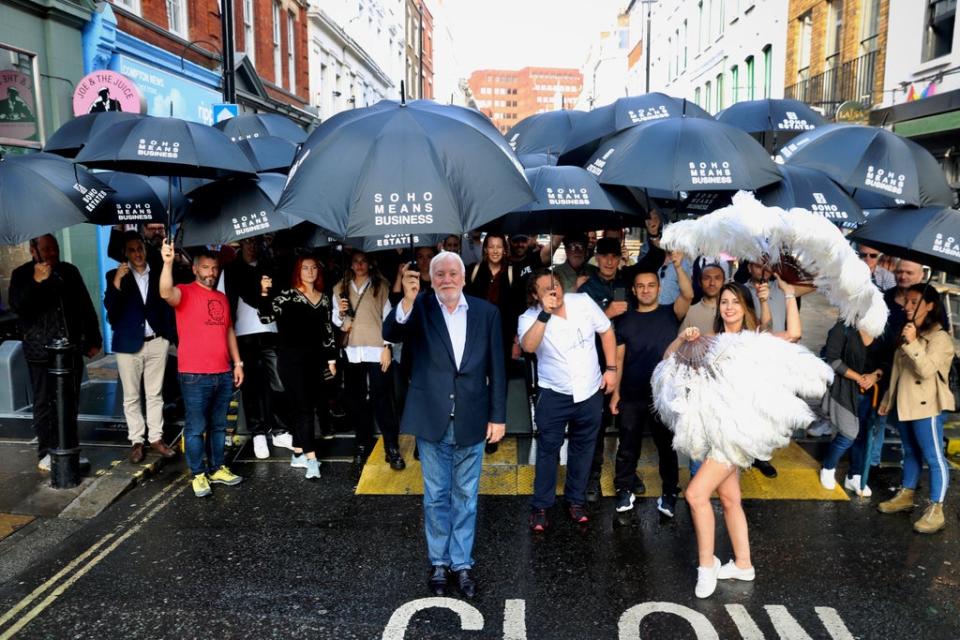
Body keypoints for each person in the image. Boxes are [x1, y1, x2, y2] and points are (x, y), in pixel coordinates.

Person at [665, 277, 802, 598]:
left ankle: (706, 566)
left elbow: (794, 334)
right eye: (724, 302)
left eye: (736, 302)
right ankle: (743, 564)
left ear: (746, 308)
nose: (729, 307)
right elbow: (669, 359)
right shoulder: (710, 341)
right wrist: (683, 339)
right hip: (715, 430)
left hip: (740, 433)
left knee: (696, 495)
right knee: (729, 500)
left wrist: (791, 294)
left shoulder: (755, 340)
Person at [383, 251, 506, 599]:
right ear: (430, 278)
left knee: (465, 497)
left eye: (453, 273)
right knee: (436, 496)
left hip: (473, 417)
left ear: (464, 278)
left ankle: (462, 563)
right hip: (431, 417)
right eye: (439, 274)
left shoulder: (487, 313)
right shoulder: (418, 307)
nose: (447, 279)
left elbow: (496, 368)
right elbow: (390, 332)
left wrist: (498, 417)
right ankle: (439, 562)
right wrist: (406, 300)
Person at [520, 269, 617, 531]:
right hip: (553, 394)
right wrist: (545, 314)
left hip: (589, 391)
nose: (554, 291)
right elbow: (528, 347)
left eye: (556, 285)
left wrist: (611, 369)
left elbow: (606, 331)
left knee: (583, 448)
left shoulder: (582, 302)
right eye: (545, 289)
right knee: (548, 450)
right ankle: (541, 506)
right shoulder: (529, 317)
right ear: (535, 296)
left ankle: (576, 500)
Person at [159, 240, 244, 497]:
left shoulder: (221, 297)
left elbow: (229, 330)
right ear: (195, 269)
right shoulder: (184, 292)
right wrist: (167, 262)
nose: (211, 273)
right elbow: (165, 292)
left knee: (219, 426)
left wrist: (237, 363)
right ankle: (198, 474)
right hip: (194, 374)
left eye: (214, 268)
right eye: (206, 268)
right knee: (196, 428)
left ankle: (217, 468)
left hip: (223, 372)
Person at [9, 235, 102, 470]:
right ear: (33, 250)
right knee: (44, 402)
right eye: (46, 249)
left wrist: (93, 337)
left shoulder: (68, 271)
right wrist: (37, 283)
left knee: (70, 401)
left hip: (69, 348)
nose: (51, 253)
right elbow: (19, 308)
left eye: (55, 248)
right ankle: (47, 451)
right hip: (40, 351)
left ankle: (70, 447)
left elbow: (85, 305)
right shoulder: (21, 275)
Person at [610, 257, 693, 517]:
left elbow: (688, 294)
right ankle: (624, 489)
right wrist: (615, 393)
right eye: (641, 286)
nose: (646, 290)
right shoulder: (624, 321)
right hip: (632, 394)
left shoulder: (671, 313)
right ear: (634, 291)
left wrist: (678, 266)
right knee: (627, 446)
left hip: (664, 395)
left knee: (667, 447)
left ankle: (669, 492)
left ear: (658, 288)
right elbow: (619, 359)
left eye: (651, 285)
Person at [877, 284, 954, 534]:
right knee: (910, 452)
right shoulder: (910, 330)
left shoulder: (940, 338)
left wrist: (912, 342)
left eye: (914, 302)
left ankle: (936, 508)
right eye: (906, 301)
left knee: (934, 458)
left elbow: (927, 370)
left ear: (930, 305)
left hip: (928, 406)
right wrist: (888, 398)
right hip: (905, 403)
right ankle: (906, 494)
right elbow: (898, 372)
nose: (907, 306)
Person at [259, 256, 338, 480]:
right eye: (305, 268)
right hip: (291, 360)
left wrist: (331, 360)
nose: (310, 271)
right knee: (303, 408)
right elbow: (266, 317)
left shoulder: (323, 298)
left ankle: (297, 453)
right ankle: (312, 459)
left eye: (314, 267)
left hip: (315, 360)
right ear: (298, 271)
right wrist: (264, 292)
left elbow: (328, 332)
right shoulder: (287, 295)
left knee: (305, 406)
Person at [103, 232, 177, 463]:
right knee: (131, 397)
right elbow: (111, 315)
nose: (137, 253)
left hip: (156, 341)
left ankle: (156, 438)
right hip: (128, 344)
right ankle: (137, 440)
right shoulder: (114, 276)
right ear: (125, 253)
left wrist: (168, 336)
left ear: (145, 250)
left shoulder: (157, 274)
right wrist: (116, 281)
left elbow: (167, 305)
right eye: (132, 250)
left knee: (155, 394)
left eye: (140, 249)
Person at [332, 250, 403, 469]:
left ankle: (391, 446)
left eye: (363, 261)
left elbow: (388, 317)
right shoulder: (339, 288)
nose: (360, 265)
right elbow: (335, 320)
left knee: (382, 398)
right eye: (356, 262)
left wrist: (387, 347)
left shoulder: (380, 286)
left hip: (376, 348)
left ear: (370, 264)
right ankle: (362, 443)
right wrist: (342, 313)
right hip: (353, 349)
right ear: (351, 265)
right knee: (356, 399)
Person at [222, 237, 290, 459]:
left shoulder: (269, 267)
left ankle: (280, 429)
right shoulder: (231, 270)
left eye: (255, 242)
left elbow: (280, 298)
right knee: (251, 387)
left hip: (270, 331)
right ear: (241, 243)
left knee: (278, 382)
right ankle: (258, 433)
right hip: (243, 333)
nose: (252, 246)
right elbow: (226, 304)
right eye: (248, 242)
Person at [577, 237, 631, 501]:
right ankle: (592, 479)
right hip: (597, 364)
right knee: (595, 425)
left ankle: (628, 475)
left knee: (628, 424)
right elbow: (577, 327)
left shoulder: (626, 283)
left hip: (628, 362)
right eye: (605, 256)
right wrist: (606, 313)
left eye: (614, 256)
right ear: (596, 258)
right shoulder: (586, 289)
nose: (610, 261)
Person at [465, 233, 525, 454]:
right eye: (491, 246)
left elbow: (519, 310)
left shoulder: (512, 273)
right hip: (476, 338)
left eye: (499, 246)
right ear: (485, 249)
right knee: (477, 384)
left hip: (502, 337)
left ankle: (494, 432)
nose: (495, 250)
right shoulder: (472, 271)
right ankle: (477, 428)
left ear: (505, 249)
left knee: (499, 384)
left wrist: (516, 340)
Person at [818, 321, 887, 497]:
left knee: (862, 435)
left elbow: (887, 362)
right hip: (843, 390)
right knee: (848, 434)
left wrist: (874, 376)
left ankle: (854, 475)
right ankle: (828, 466)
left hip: (870, 393)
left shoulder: (881, 329)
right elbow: (832, 359)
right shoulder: (842, 328)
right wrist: (859, 378)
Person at [679, 262, 725, 335]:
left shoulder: (731, 309)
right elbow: (681, 343)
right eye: (707, 278)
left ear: (723, 282)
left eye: (717, 278)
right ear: (700, 282)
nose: (712, 283)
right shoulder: (690, 311)